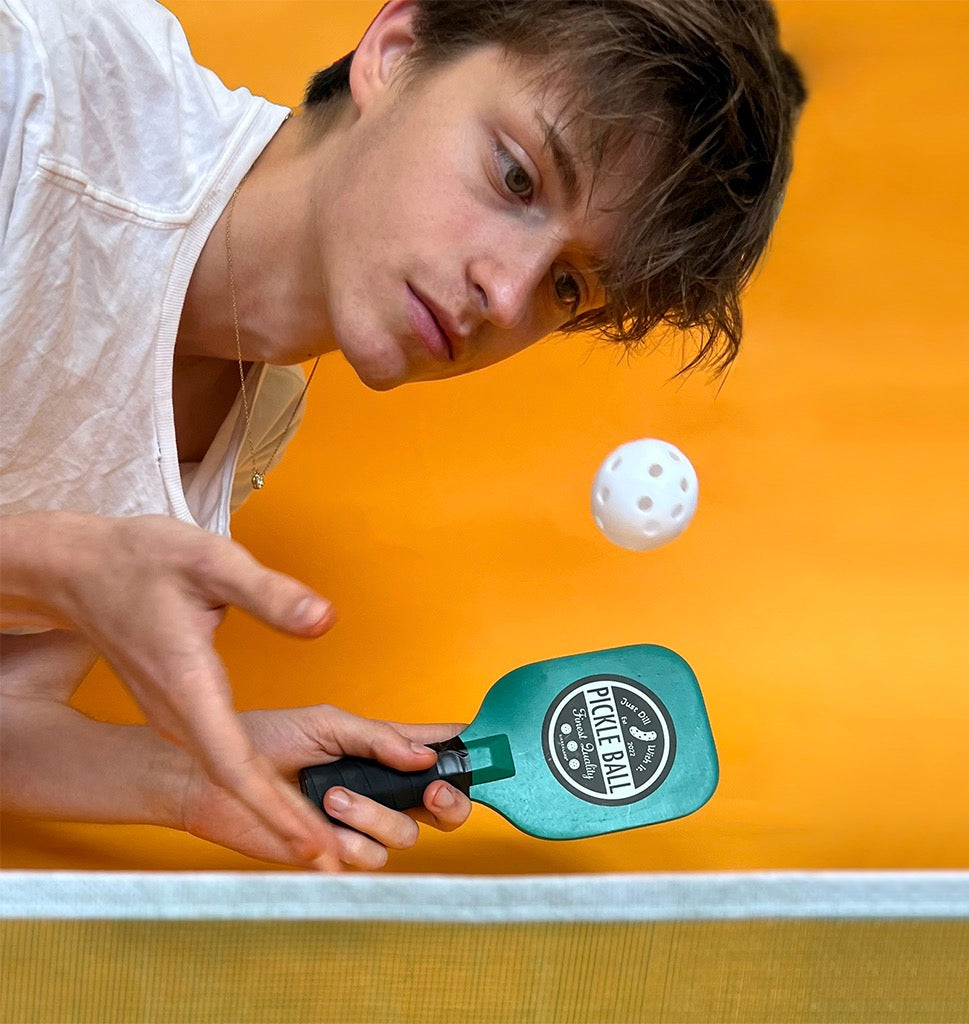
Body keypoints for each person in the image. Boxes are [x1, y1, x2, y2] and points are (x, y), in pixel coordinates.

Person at [0, 0, 805, 871]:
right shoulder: (41, 89)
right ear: (395, 51)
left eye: (569, 287)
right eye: (516, 178)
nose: (508, 295)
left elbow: (13, 711)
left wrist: (185, 779)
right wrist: (45, 560)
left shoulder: (251, 417)